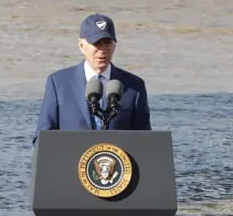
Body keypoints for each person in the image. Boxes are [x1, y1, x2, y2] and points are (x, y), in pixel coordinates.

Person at [34, 13, 151, 143]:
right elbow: (42, 138)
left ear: (114, 45)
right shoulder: (58, 84)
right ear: (81, 46)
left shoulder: (134, 86)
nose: (102, 50)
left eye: (107, 43)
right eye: (96, 43)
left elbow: (144, 141)